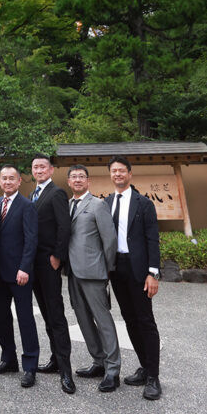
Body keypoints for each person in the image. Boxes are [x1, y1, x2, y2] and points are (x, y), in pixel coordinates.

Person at [106, 155, 162, 400]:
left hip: (138, 269)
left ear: (130, 173)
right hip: (116, 268)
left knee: (145, 320)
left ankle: (154, 377)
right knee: (129, 319)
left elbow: (152, 240)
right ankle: (144, 366)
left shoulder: (143, 203)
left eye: (121, 171)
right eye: (114, 171)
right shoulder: (106, 202)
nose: (117, 174)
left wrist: (153, 273)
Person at [66, 165, 120, 393]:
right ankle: (98, 361)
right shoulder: (67, 205)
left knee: (103, 320)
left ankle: (113, 370)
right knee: (83, 320)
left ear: (88, 181)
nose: (77, 180)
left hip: (94, 272)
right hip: (72, 273)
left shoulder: (98, 205)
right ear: (68, 181)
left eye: (81, 177)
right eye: (73, 177)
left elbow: (109, 241)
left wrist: (107, 269)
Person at [28, 153, 74, 393]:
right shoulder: (32, 195)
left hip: (49, 262)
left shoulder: (56, 193)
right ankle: (55, 359)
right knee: (45, 313)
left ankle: (66, 370)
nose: (39, 170)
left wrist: (58, 256)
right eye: (35, 167)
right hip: (32, 263)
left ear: (51, 169)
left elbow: (64, 226)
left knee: (56, 314)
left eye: (43, 166)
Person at [0, 165, 40, 388]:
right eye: (4, 178)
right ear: (0, 181)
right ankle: (8, 358)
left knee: (25, 318)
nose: (8, 182)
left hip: (19, 273)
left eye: (12, 178)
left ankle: (30, 366)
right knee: (2, 317)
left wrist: (25, 268)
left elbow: (31, 241)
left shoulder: (27, 206)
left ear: (20, 181)